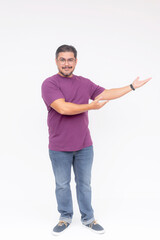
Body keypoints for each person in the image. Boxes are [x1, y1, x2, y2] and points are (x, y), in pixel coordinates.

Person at [41, 44, 151, 236]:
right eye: (62, 59)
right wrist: (90, 107)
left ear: (75, 61)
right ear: (56, 61)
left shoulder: (84, 83)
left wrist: (132, 87)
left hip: (84, 146)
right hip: (59, 147)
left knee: (84, 184)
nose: (66, 63)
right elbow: (63, 108)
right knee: (62, 184)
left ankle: (88, 219)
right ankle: (65, 217)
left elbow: (106, 93)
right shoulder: (49, 84)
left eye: (70, 60)